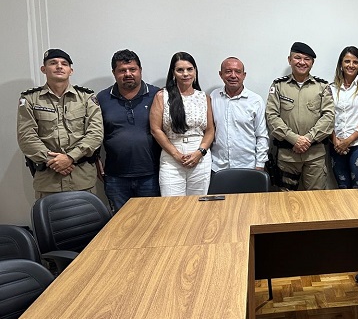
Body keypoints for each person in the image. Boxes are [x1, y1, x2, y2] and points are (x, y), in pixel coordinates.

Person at [17, 49, 103, 198]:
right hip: (48, 181)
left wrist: (70, 158)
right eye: (53, 63)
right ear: (43, 69)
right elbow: (26, 137)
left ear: (71, 70)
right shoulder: (30, 99)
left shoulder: (86, 97)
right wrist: (52, 160)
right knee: (49, 214)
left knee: (86, 213)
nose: (59, 66)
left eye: (64, 64)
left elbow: (95, 133)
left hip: (82, 179)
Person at [97, 49, 161, 210]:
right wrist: (95, 159)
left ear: (140, 70)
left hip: (151, 174)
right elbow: (95, 132)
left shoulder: (157, 95)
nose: (128, 74)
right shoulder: (102, 98)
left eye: (132, 69)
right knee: (120, 222)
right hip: (115, 176)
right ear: (114, 73)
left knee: (152, 219)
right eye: (122, 70)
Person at [265, 42, 335, 190]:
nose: (302, 62)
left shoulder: (322, 86)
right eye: (297, 58)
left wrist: (308, 139)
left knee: (316, 199)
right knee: (286, 199)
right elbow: (272, 116)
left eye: (307, 59)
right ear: (289, 60)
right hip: (287, 156)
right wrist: (294, 139)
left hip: (315, 156)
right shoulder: (278, 86)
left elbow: (329, 117)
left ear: (312, 63)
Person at [149, 52, 214, 196]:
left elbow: (210, 130)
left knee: (197, 203)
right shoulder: (162, 96)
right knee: (172, 204)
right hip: (171, 155)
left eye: (190, 69)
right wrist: (176, 154)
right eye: (180, 70)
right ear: (173, 72)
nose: (185, 74)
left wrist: (200, 152)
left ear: (195, 71)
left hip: (199, 155)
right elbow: (155, 129)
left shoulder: (204, 97)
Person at [210, 57, 269, 173]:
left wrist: (260, 164)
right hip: (217, 166)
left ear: (244, 75)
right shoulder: (213, 97)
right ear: (221, 74)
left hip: (248, 166)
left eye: (237, 72)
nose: (233, 76)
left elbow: (262, 135)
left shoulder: (255, 100)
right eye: (228, 71)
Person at [329, 46, 358, 188]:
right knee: (342, 185)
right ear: (341, 64)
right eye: (347, 61)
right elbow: (327, 117)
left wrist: (348, 140)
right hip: (336, 144)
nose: (351, 65)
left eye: (355, 62)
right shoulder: (331, 88)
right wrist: (335, 140)